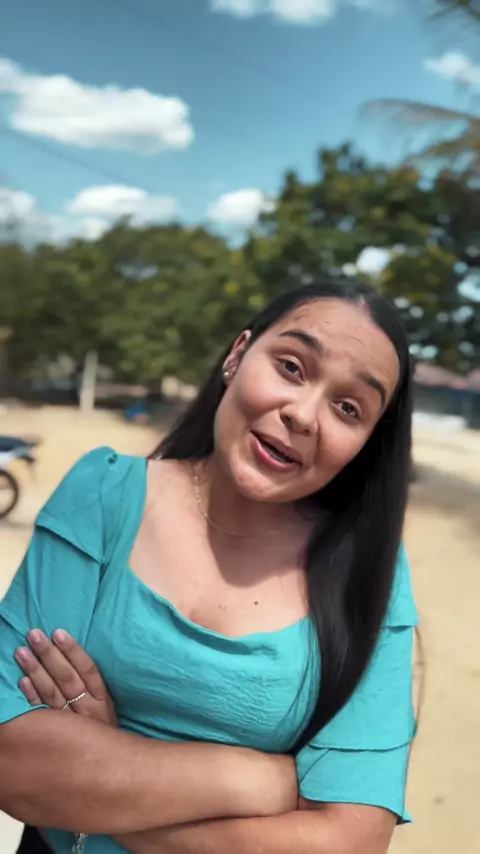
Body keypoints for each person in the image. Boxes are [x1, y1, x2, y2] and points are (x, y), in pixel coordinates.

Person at [0, 281, 418, 854]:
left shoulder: (369, 575)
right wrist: (260, 779)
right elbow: (13, 759)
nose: (303, 414)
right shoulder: (103, 494)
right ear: (237, 355)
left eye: (349, 408)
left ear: (366, 444)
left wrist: (90, 788)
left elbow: (350, 841)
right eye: (291, 367)